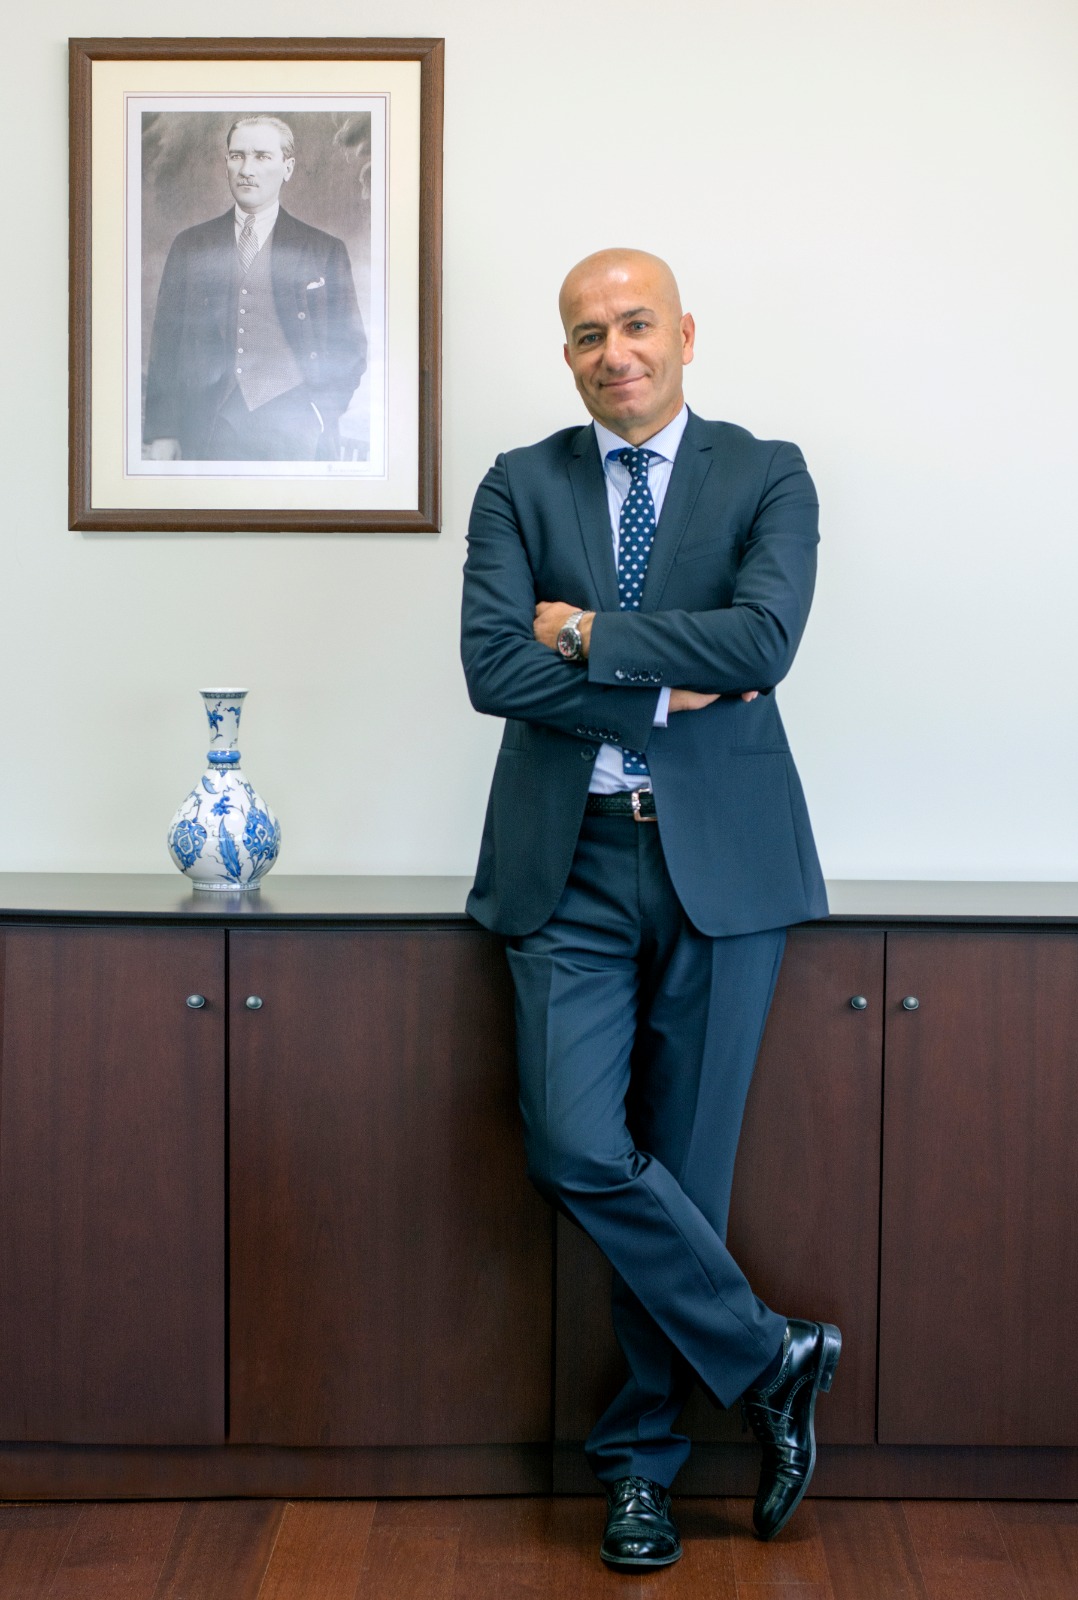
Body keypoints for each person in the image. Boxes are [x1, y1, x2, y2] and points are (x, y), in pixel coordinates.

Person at [461, 248, 840, 1570]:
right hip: (562, 864)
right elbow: (489, 666)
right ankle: (770, 1354)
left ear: (683, 332)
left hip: (723, 867)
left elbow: (763, 643)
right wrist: (665, 678)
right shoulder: (520, 483)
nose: (613, 351)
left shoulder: (766, 473)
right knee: (575, 1145)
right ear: (565, 355)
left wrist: (585, 634)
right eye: (586, 334)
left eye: (634, 324)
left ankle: (639, 1470)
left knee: (683, 1177)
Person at [143, 115, 366, 463]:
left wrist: (324, 411)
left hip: (297, 429)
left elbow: (351, 346)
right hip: (208, 427)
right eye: (237, 156)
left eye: (262, 156)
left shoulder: (323, 250)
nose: (247, 169)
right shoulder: (191, 246)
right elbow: (166, 347)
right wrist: (163, 431)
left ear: (288, 168)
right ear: (227, 164)